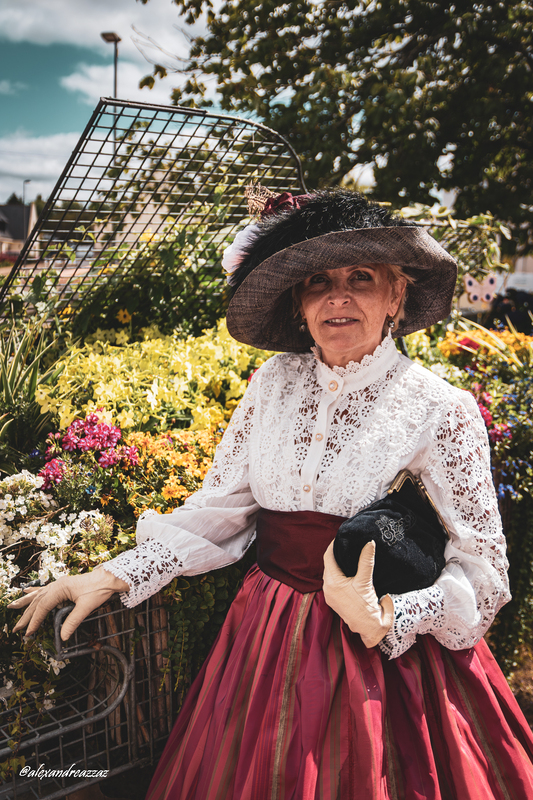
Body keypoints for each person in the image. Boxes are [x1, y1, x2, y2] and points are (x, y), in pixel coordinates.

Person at [10, 190, 533, 800]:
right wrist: (117, 574)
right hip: (265, 636)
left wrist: (390, 615)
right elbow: (225, 509)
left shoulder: (441, 408)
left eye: (360, 278)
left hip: (385, 663)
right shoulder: (271, 384)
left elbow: (485, 568)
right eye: (318, 282)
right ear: (299, 303)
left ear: (395, 295)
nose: (338, 297)